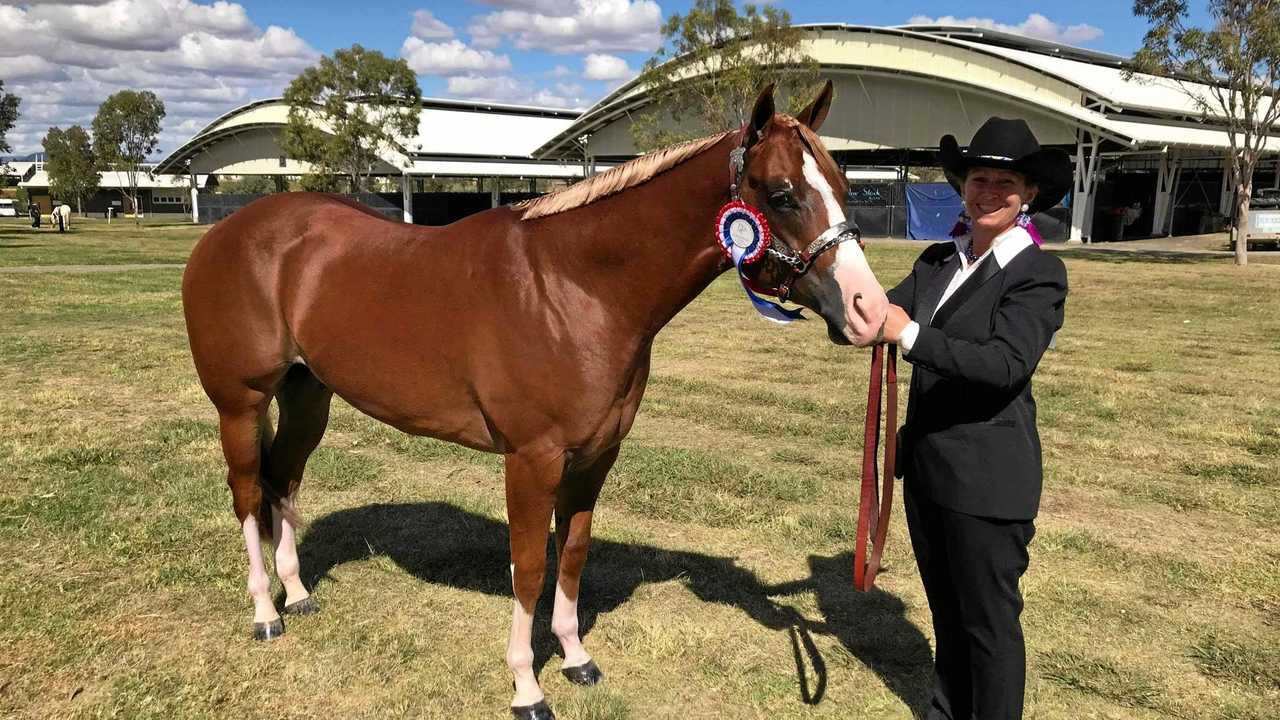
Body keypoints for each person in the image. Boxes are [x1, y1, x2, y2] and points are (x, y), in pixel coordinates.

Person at [880, 117, 1069, 720]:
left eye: (1004, 183)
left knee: (987, 625)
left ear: (1028, 195)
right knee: (946, 613)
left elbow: (1004, 365)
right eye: (978, 178)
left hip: (987, 480)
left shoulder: (1037, 273)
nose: (988, 192)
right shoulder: (938, 261)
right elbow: (870, 316)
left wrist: (907, 334)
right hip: (929, 471)